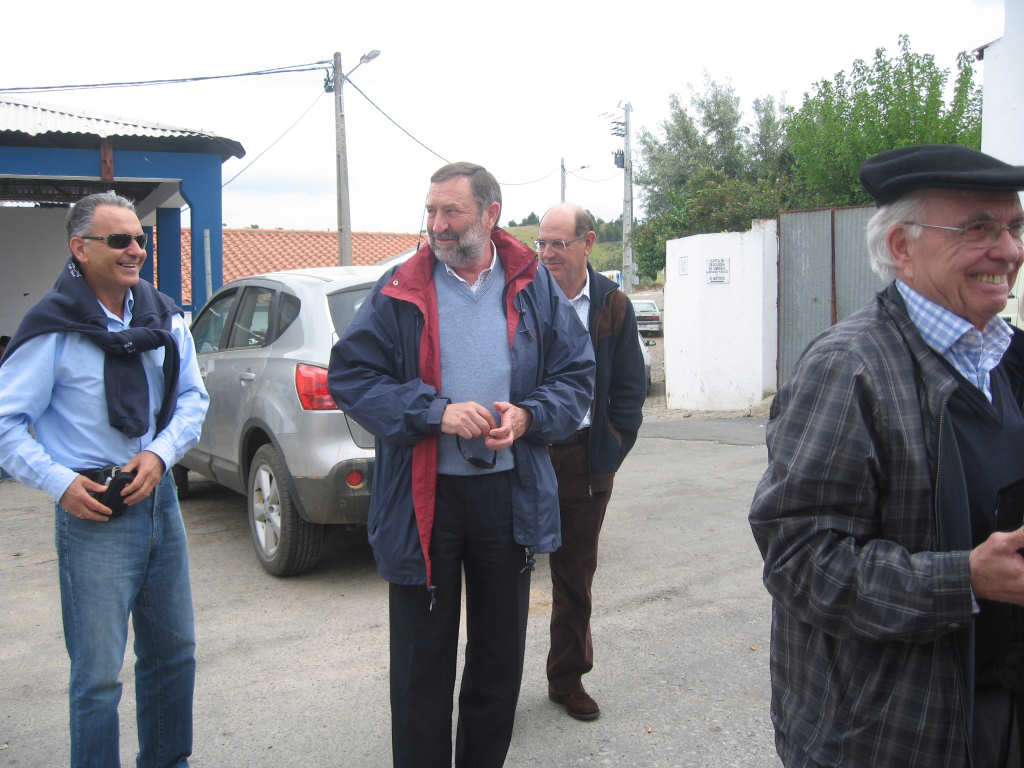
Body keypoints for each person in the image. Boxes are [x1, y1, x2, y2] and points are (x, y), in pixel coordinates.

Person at [749, 144, 1024, 767]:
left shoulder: (1008, 358)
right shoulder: (848, 368)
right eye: (979, 228)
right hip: (893, 733)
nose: (1008, 250)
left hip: (999, 709)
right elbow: (800, 562)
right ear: (902, 246)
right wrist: (965, 580)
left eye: (1014, 227)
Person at [328, 162, 594, 768]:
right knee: (420, 668)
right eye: (431, 211)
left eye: (452, 211)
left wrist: (528, 416)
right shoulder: (401, 286)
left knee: (499, 662)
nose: (437, 224)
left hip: (507, 498)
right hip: (426, 502)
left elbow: (576, 372)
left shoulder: (532, 282)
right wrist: (435, 413)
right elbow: (351, 376)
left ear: (491, 215)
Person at [0, 192, 209, 767]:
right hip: (93, 510)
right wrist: (59, 483)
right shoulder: (52, 328)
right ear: (80, 248)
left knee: (174, 655)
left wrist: (161, 455)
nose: (135, 250)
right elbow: (6, 422)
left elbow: (192, 398)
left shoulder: (163, 316)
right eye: (119, 240)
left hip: (159, 500)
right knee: (96, 676)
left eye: (140, 239)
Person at [536, 203, 646, 720]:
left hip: (585, 457)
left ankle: (567, 678)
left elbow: (630, 387)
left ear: (588, 242)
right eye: (542, 243)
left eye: (558, 243)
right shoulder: (521, 296)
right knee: (504, 577)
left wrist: (611, 449)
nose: (548, 253)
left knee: (575, 577)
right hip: (527, 453)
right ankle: (492, 689)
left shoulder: (612, 305)